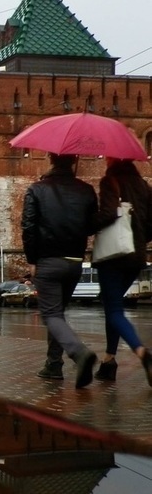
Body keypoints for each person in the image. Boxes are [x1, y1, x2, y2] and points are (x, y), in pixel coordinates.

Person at [21, 153, 99, 388]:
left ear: (50, 158)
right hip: (75, 261)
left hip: (48, 261)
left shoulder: (36, 190)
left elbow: (28, 227)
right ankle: (53, 365)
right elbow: (91, 226)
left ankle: (79, 353)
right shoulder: (86, 190)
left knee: (51, 315)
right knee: (58, 315)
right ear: (74, 161)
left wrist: (32, 260)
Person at [93, 158, 152, 385]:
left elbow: (108, 214)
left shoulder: (111, 181)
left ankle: (142, 352)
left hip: (112, 257)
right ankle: (109, 362)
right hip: (136, 257)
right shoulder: (145, 187)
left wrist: (88, 224)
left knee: (114, 310)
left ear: (113, 160)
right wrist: (136, 240)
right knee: (112, 306)